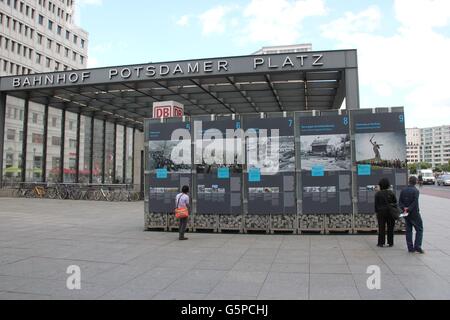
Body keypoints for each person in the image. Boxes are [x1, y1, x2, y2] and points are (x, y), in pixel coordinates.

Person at [399, 176, 424, 254]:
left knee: (408, 230)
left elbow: (400, 202)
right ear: (415, 182)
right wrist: (409, 208)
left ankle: (410, 248)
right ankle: (417, 246)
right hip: (414, 213)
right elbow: (415, 202)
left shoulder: (403, 190)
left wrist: (404, 208)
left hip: (406, 213)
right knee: (419, 229)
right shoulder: (415, 191)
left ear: (409, 181)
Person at [374, 178, 397, 247]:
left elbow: (376, 205)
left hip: (381, 213)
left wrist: (377, 212)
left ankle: (381, 242)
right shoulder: (391, 193)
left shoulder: (378, 194)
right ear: (388, 185)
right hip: (390, 212)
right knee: (390, 228)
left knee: (381, 228)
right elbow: (395, 202)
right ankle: (390, 242)